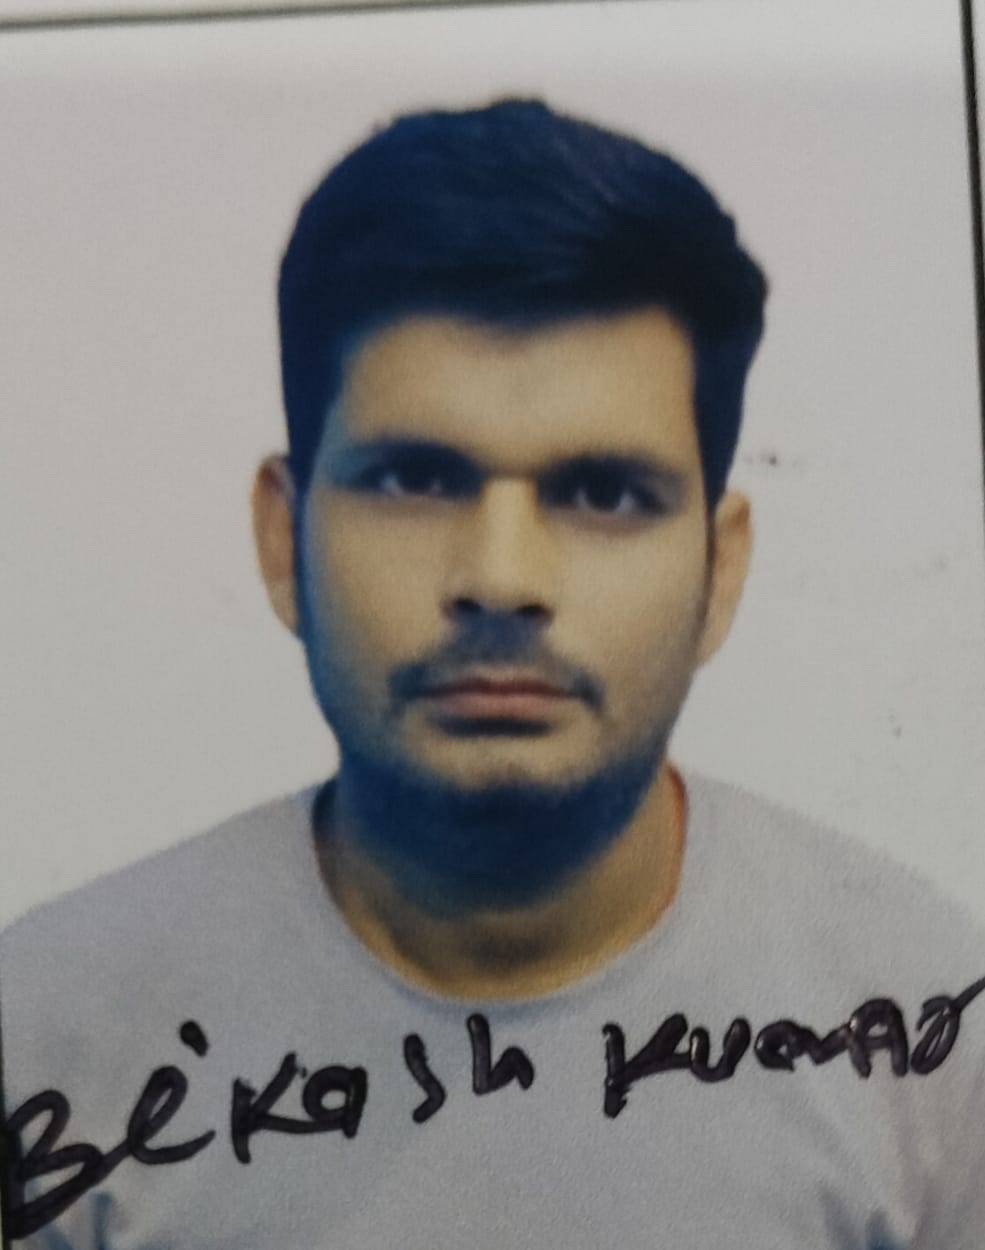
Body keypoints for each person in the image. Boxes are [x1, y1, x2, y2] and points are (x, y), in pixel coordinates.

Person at [1, 98, 983, 1250]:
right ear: (282, 537)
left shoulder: (934, 1031)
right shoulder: (42, 1031)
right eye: (414, 479)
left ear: (719, 569)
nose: (501, 578)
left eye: (603, 492)